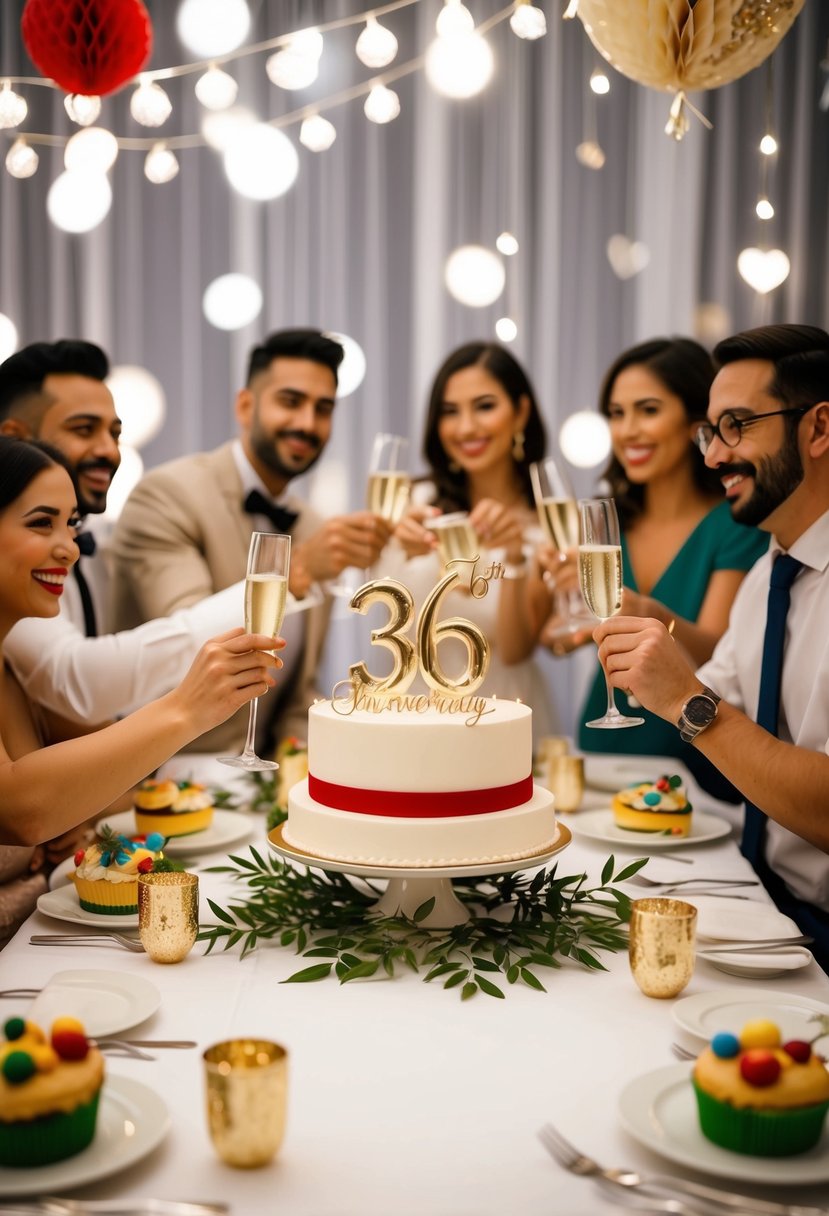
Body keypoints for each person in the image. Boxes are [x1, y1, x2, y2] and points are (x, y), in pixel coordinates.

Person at [594, 324, 829, 971]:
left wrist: (687, 699)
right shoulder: (769, 571)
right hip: (761, 904)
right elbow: (717, 687)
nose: (711, 456)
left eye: (736, 426)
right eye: (709, 431)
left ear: (817, 429)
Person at [0, 435, 280, 944]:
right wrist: (185, 709)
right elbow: (22, 811)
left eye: (71, 525)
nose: (69, 548)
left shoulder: (9, 667)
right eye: (41, 523)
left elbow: (65, 803)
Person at [111, 328, 392, 756]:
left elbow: (300, 691)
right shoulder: (167, 494)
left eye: (323, 409)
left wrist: (309, 768)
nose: (307, 423)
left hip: (260, 781)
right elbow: (184, 649)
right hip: (165, 770)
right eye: (290, 401)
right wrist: (295, 574)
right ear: (246, 406)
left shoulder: (314, 525)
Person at [538, 338, 766, 776]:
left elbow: (720, 651)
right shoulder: (609, 524)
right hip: (602, 744)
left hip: (691, 749)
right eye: (617, 414)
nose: (628, 431)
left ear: (693, 422)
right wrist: (565, 606)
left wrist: (650, 613)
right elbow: (558, 639)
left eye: (648, 410)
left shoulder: (734, 523)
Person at [0, 339, 250, 724]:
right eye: (84, 429)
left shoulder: (98, 545)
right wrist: (274, 589)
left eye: (114, 434)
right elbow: (76, 682)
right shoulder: (16, 563)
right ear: (14, 436)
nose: (109, 451)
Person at [391, 341, 557, 742]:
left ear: (520, 412)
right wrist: (393, 546)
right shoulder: (410, 504)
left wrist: (515, 558)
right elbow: (380, 624)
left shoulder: (547, 526)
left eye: (484, 406)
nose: (466, 428)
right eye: (450, 412)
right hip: (412, 719)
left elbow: (517, 651)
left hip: (501, 721)